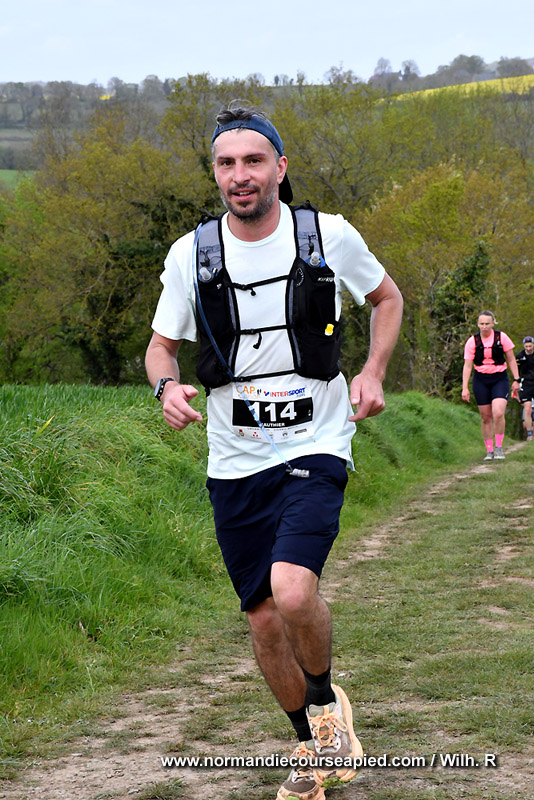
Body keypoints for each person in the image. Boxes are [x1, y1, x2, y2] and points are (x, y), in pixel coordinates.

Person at [145, 104, 403, 800]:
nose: (240, 175)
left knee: (292, 589)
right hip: (233, 457)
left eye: (254, 161)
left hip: (317, 440)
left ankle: (324, 707)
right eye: (226, 163)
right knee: (262, 617)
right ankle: (313, 746)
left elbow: (387, 299)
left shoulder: (328, 235)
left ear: (280, 168)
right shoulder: (190, 254)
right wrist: (166, 387)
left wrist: (373, 372)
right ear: (215, 174)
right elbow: (161, 347)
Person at [462, 310, 520, 461]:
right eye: (482, 324)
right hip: (480, 379)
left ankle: (499, 447)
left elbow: (511, 359)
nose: (484, 326)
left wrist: (516, 379)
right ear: (477, 324)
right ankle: (489, 451)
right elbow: (467, 366)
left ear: (493, 323)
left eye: (487, 323)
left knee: (498, 412)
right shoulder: (472, 341)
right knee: (485, 417)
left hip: (499, 378)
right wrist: (465, 387)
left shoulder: (502, 337)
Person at [516, 335, 534, 442]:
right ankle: (529, 434)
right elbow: (516, 370)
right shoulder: (519, 356)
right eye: (526, 346)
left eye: (530, 346)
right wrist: (516, 382)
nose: (528, 348)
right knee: (527, 408)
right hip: (526, 383)